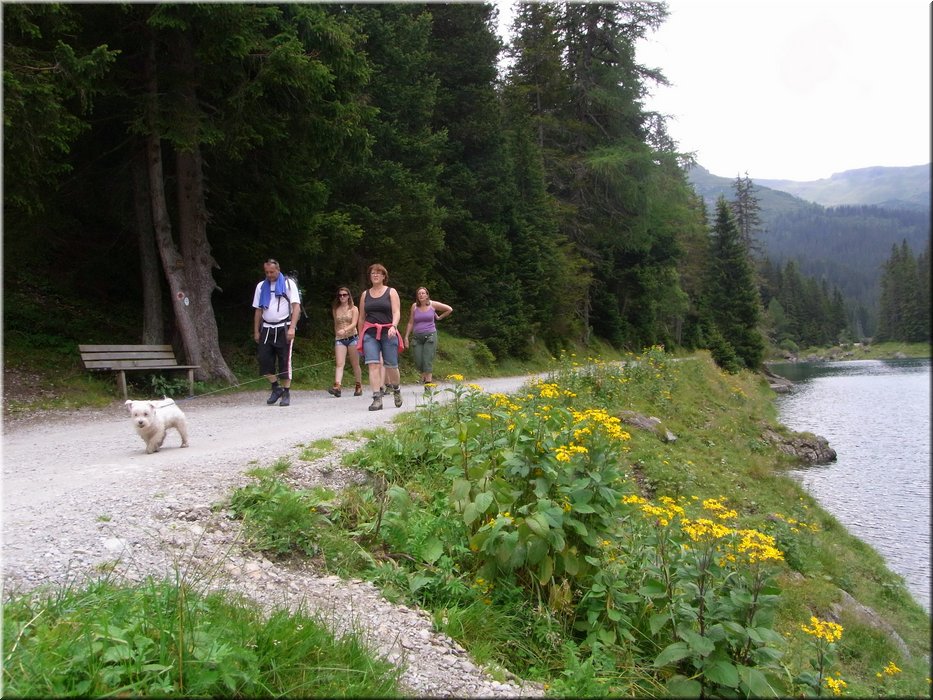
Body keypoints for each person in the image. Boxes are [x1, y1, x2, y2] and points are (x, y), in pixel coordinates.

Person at [252, 258, 301, 406]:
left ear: (278, 270)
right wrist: (256, 331)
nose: (269, 275)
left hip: (284, 327)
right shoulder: (261, 286)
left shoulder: (288, 284)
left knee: (284, 361)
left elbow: (296, 307)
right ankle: (276, 387)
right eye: (267, 272)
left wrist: (292, 328)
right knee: (264, 360)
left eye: (272, 272)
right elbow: (258, 310)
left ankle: (286, 392)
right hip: (266, 328)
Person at [357, 263, 404, 411]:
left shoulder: (391, 292)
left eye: (378, 273)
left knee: (391, 366)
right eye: (373, 273)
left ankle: (396, 389)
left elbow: (396, 312)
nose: (375, 275)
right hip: (370, 333)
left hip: (388, 332)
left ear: (384, 276)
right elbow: (361, 318)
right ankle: (377, 398)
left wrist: (394, 326)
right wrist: (360, 336)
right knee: (373, 364)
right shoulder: (365, 294)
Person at [404, 286, 453, 384]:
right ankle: (424, 375)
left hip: (430, 335)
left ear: (427, 295)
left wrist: (439, 317)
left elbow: (449, 309)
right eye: (419, 293)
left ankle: (428, 384)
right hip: (417, 337)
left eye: (423, 293)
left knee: (427, 360)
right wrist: (406, 337)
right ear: (417, 296)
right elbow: (410, 322)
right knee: (418, 361)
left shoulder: (432, 304)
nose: (421, 295)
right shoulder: (414, 306)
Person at [328, 286, 363, 398]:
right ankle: (337, 386)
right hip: (340, 339)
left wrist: (345, 330)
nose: (342, 297)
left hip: (352, 337)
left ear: (348, 296)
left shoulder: (354, 308)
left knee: (355, 364)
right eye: (340, 295)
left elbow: (354, 323)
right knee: (339, 363)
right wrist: (337, 334)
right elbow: (335, 323)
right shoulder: (336, 309)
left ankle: (358, 385)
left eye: (344, 295)